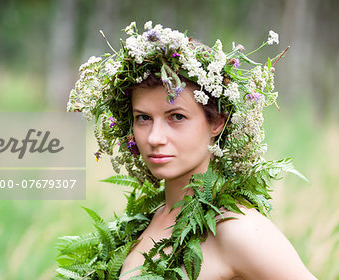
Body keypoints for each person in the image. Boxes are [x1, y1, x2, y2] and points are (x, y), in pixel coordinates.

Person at [57, 21, 316, 279]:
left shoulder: (238, 231)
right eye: (143, 118)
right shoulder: (146, 222)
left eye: (177, 117)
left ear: (216, 123)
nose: (155, 138)